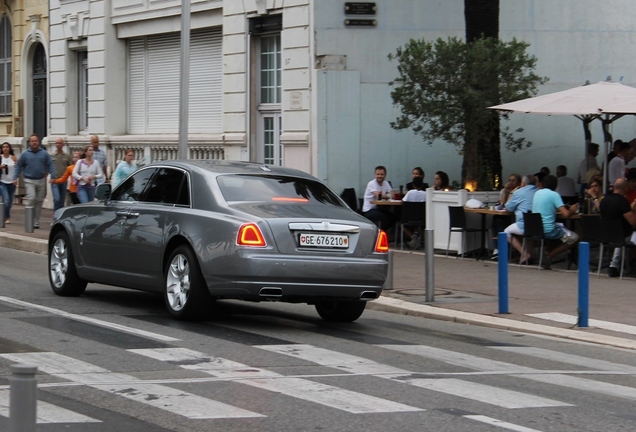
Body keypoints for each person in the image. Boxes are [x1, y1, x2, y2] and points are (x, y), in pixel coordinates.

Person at [531, 174, 579, 269]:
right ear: (556, 186)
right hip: (548, 230)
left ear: (543, 183)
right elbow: (566, 214)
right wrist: (573, 210)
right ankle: (550, 255)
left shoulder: (537, 193)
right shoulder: (554, 195)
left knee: (559, 229)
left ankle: (547, 251)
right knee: (575, 237)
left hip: (535, 229)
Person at [13, 134, 55, 229]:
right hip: (29, 180)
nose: (34, 143)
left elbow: (50, 164)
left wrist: (53, 175)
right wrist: (15, 178)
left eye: (36, 141)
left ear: (38, 142)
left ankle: (36, 221)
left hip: (41, 179)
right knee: (31, 199)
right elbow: (18, 166)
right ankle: (29, 219)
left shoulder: (44, 153)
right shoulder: (25, 154)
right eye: (32, 141)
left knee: (39, 201)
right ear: (30, 143)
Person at [599, 178, 636, 277]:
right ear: (625, 189)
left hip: (606, 236)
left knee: (621, 237)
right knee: (631, 236)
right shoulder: (622, 201)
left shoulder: (604, 201)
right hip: (622, 236)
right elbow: (633, 221)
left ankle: (614, 265)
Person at [503, 175, 539, 264]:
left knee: (506, 232)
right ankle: (529, 255)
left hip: (523, 223)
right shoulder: (539, 192)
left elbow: (508, 208)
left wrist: (511, 193)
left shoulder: (519, 192)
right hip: (539, 224)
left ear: (523, 183)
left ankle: (524, 253)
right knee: (529, 235)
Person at [361, 165, 394, 231]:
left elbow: (393, 195)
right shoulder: (371, 183)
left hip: (378, 208)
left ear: (385, 175)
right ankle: (379, 235)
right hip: (368, 210)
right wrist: (387, 195)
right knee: (383, 218)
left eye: (381, 174)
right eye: (378, 174)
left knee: (393, 217)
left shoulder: (386, 183)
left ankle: (384, 233)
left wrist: (386, 195)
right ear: (375, 175)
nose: (379, 176)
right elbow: (378, 196)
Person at [401, 176, 427, 248]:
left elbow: (403, 202)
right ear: (422, 185)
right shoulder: (425, 194)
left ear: (413, 185)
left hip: (408, 218)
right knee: (418, 224)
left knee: (401, 224)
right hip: (421, 218)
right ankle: (416, 235)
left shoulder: (410, 193)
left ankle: (413, 236)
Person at [50, 138, 73, 211]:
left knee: (62, 200)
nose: (58, 145)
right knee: (57, 198)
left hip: (63, 180)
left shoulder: (67, 156)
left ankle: (59, 215)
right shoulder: (52, 156)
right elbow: (48, 166)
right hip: (55, 180)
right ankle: (55, 214)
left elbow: (71, 167)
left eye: (60, 143)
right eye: (56, 143)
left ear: (63, 144)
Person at [0, 142, 17, 224]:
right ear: (1, 149)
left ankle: (3, 214)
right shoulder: (0, 158)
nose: (5, 148)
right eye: (3, 147)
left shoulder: (13, 158)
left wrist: (16, 179)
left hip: (12, 182)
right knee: (6, 200)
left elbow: (17, 169)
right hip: (2, 182)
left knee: (9, 202)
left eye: (7, 147)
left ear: (9, 148)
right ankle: (7, 217)